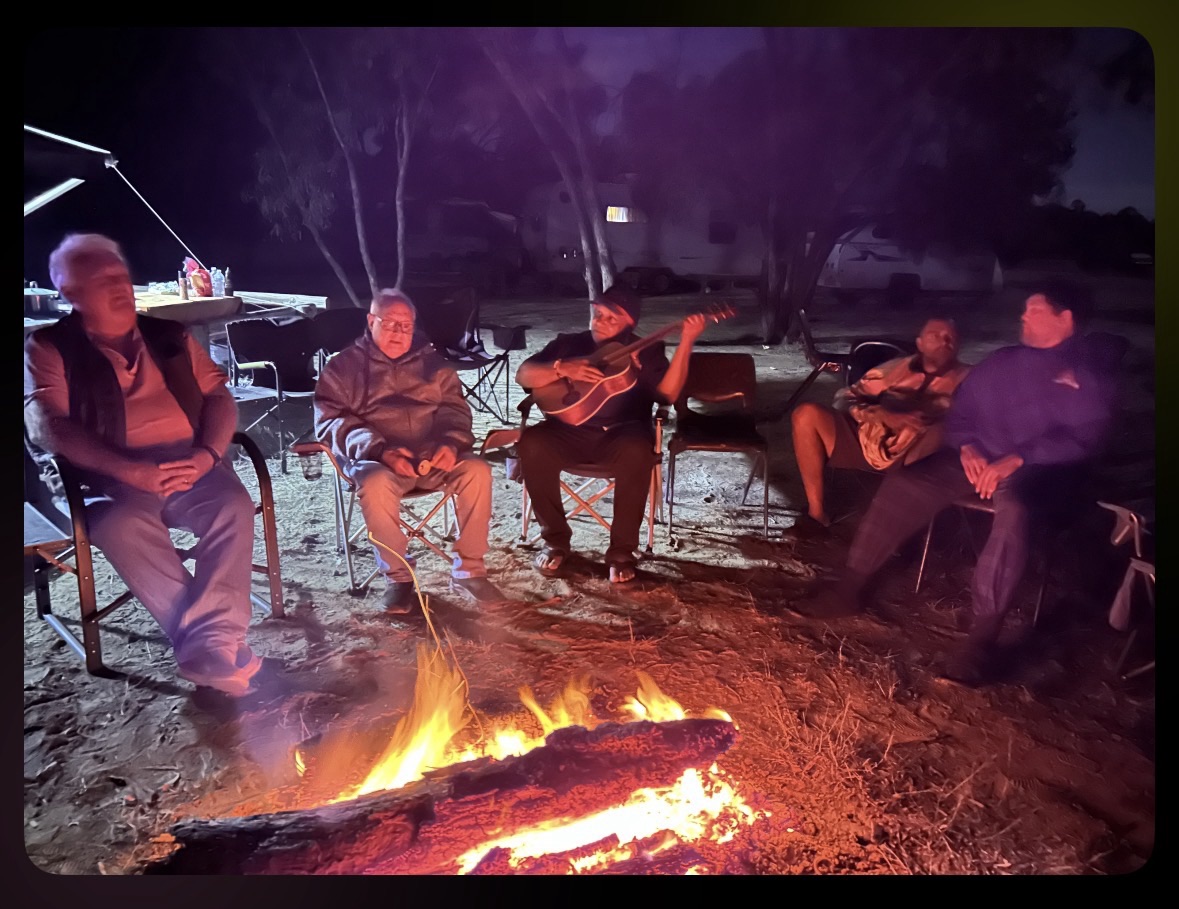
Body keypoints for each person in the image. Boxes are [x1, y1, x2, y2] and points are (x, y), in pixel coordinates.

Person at [794, 280, 1125, 686]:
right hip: (977, 460)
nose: (1023, 316)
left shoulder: (1088, 373)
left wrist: (1018, 458)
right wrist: (968, 447)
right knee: (905, 485)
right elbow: (963, 412)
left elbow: (1085, 436)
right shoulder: (1003, 362)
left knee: (1015, 511)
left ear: (1065, 318)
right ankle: (850, 587)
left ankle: (980, 640)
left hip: (1039, 471)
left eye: (1035, 310)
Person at [24, 233, 275, 700]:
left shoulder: (168, 336)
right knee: (120, 525)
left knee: (231, 506)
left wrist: (208, 454)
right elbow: (48, 426)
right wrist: (127, 470)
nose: (119, 286)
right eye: (101, 280)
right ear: (71, 293)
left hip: (190, 464)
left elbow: (219, 397)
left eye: (119, 275)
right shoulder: (50, 347)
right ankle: (217, 646)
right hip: (106, 477)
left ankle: (208, 650)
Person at [314, 288, 504, 612]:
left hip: (433, 457)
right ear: (371, 321)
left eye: (406, 325)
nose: (399, 333)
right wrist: (379, 450)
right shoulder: (343, 368)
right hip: (378, 461)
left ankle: (470, 570)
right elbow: (330, 421)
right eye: (390, 324)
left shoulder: (434, 364)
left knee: (477, 471)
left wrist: (450, 442)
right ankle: (399, 578)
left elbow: (454, 409)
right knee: (375, 483)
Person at [515, 283, 708, 584]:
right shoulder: (568, 344)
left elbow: (668, 395)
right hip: (568, 432)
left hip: (622, 435)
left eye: (611, 318)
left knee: (637, 451)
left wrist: (686, 342)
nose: (600, 321)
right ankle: (555, 540)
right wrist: (561, 368)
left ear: (629, 324)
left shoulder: (647, 350)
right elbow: (524, 375)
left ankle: (621, 552)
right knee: (532, 442)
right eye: (598, 313)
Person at [790, 317, 970, 532]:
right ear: (920, 343)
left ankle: (898, 527)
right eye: (936, 336)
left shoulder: (968, 379)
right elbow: (845, 399)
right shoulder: (897, 369)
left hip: (914, 456)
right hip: (868, 440)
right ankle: (817, 514)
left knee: (939, 431)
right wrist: (880, 414)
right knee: (806, 415)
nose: (944, 341)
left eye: (950, 338)